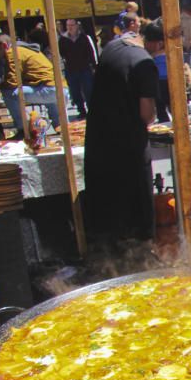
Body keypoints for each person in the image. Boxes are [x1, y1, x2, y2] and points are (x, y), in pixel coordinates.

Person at [84, 27, 158, 254]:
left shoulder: (112, 47)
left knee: (108, 208)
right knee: (135, 208)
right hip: (129, 146)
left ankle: (111, 257)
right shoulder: (145, 63)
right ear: (158, 43)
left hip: (99, 139)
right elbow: (146, 114)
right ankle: (139, 257)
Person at [0, 33, 61, 135]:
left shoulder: (13, 52)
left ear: (4, 45)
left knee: (8, 93)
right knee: (46, 89)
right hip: (59, 88)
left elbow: (12, 82)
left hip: (49, 90)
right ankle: (59, 126)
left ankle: (22, 129)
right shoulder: (26, 50)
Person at [59, 19, 97, 119]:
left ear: (77, 25)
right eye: (68, 25)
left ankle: (92, 111)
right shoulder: (63, 39)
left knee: (88, 90)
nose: (70, 27)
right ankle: (81, 111)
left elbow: (91, 53)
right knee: (75, 91)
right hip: (71, 70)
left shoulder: (84, 37)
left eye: (72, 25)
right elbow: (61, 54)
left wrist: (94, 66)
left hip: (85, 68)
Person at [141, 19, 171, 123]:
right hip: (162, 78)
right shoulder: (165, 47)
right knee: (162, 107)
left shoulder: (165, 47)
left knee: (162, 107)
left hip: (163, 78)